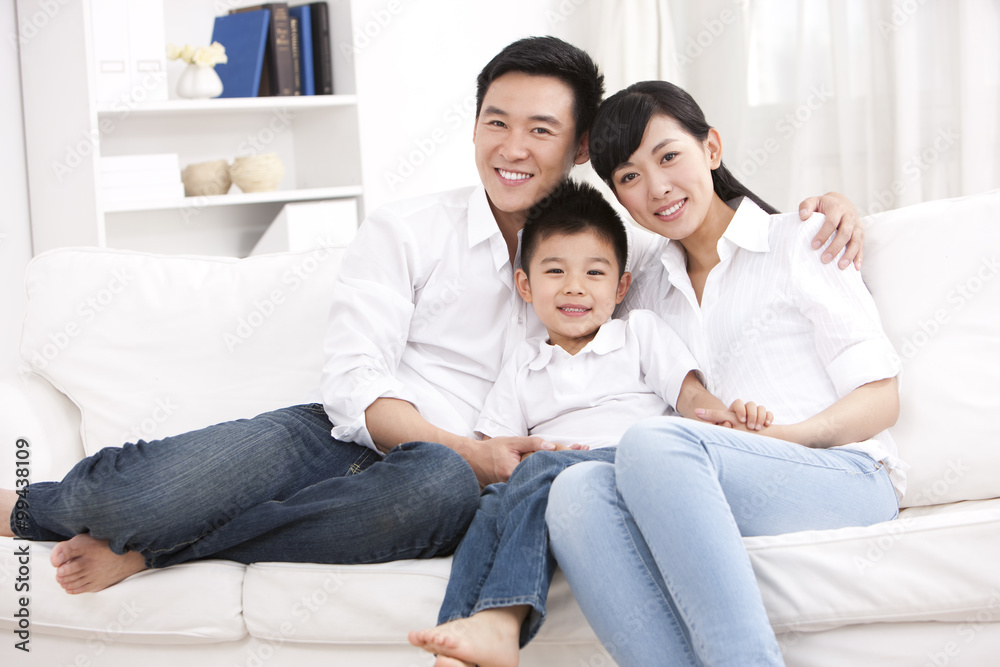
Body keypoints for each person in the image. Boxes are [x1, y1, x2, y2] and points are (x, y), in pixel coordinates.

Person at [1, 37, 863, 596]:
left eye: (540, 130)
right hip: (343, 433)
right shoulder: (408, 229)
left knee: (435, 488)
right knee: (150, 488)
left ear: (575, 148)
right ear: (476, 125)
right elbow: (354, 382)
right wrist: (464, 445)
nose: (514, 148)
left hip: (445, 481)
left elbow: (704, 239)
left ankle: (160, 553)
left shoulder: (617, 251)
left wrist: (821, 210)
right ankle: (27, 507)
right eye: (497, 122)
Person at [544, 80, 905, 666]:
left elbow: (881, 400)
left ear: (711, 148)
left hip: (843, 473)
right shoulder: (641, 289)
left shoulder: (801, 239)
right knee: (574, 491)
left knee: (657, 446)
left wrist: (781, 439)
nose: (657, 187)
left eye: (669, 157)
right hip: (706, 476)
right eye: (629, 177)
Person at [408, 178, 775, 667]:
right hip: (554, 477)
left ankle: (504, 620)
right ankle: (457, 635)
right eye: (555, 270)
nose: (574, 287)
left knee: (539, 472)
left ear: (621, 286)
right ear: (525, 285)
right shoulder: (523, 363)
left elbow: (687, 393)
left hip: (630, 467)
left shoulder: (638, 334)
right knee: (497, 499)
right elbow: (495, 446)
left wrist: (721, 418)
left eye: (595, 273)